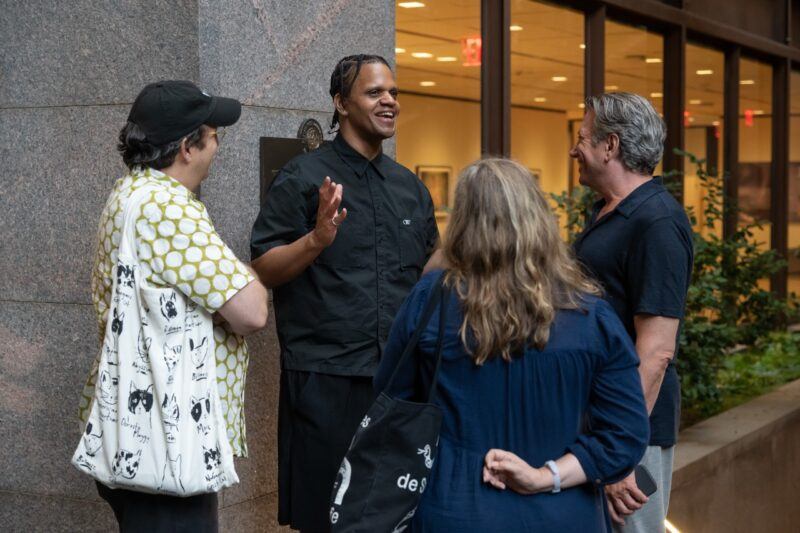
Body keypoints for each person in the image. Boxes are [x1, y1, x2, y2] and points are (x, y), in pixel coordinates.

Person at [375, 159, 650, 532]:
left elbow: (392, 401)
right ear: (540, 219)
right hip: (564, 516)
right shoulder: (590, 316)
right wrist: (545, 476)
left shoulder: (432, 302)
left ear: (462, 225)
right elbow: (626, 435)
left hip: (454, 509)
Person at [250, 54, 438, 532]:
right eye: (375, 92)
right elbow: (264, 268)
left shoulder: (411, 189)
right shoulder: (304, 177)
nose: (390, 101)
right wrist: (316, 240)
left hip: (398, 382)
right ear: (341, 103)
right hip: (325, 383)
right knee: (324, 519)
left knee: (394, 517)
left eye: (393, 92)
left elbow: (429, 277)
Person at [77, 80, 269, 532]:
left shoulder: (127, 193)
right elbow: (252, 311)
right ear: (187, 146)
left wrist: (214, 299)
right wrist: (237, 289)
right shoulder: (168, 207)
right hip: (169, 437)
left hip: (138, 430)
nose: (218, 144)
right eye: (214, 133)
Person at [570, 92, 694, 532]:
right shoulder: (608, 211)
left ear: (611, 146)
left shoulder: (657, 222)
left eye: (582, 137)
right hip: (599, 423)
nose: (574, 149)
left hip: (630, 432)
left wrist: (617, 447)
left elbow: (657, 352)